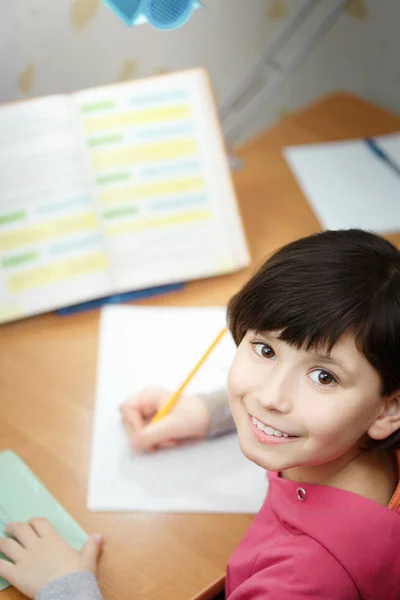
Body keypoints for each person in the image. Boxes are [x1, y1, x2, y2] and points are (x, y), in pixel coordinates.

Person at [1, 228, 400, 599]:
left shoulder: (301, 582)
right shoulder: (362, 442)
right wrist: (212, 413)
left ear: (389, 408)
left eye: (323, 377)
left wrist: (65, 587)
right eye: (265, 350)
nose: (271, 398)